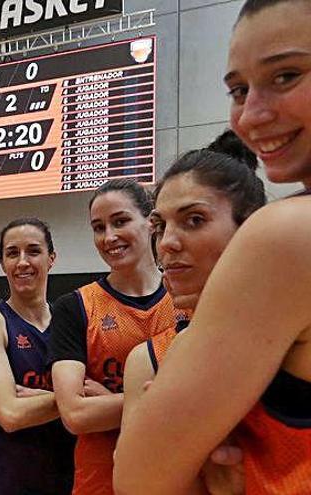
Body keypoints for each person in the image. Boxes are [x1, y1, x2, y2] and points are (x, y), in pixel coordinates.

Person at [114, 1, 311, 493]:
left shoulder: (286, 235)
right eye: (238, 90)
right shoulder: (154, 352)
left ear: (245, 225)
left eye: (286, 76)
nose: (252, 113)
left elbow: (140, 480)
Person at [118, 137, 265, 494]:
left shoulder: (294, 339)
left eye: (194, 220)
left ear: (252, 230)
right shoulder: (153, 359)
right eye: (159, 226)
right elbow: (131, 486)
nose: (167, 242)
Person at [48, 178, 182, 494]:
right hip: (100, 482)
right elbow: (75, 415)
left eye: (120, 221)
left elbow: (211, 397)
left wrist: (115, 401)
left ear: (151, 223)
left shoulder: (185, 297)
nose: (109, 237)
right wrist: (171, 400)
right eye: (98, 227)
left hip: (178, 476)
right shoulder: (75, 307)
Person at [0, 218, 75, 494]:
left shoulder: (71, 321)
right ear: (2, 263)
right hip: (7, 479)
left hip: (68, 475)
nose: (22, 262)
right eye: (12, 253)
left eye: (34, 251)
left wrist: (45, 400)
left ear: (51, 258)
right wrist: (74, 402)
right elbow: (10, 414)